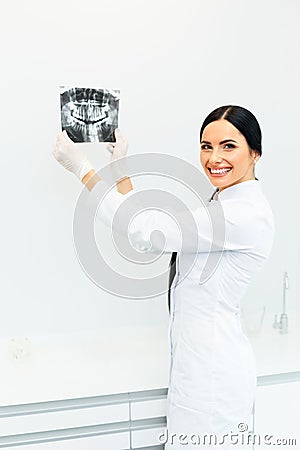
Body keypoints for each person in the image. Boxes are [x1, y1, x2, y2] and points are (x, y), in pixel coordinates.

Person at [53, 105, 275, 449]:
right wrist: (121, 169)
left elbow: (145, 231)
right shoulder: (222, 203)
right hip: (199, 367)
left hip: (214, 382)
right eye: (206, 146)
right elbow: (150, 229)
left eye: (228, 146)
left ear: (255, 153)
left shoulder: (242, 215)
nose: (214, 157)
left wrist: (82, 169)